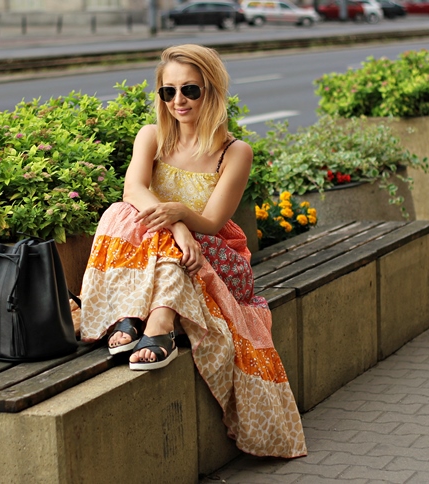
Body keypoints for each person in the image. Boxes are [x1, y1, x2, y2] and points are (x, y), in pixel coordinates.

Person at [79, 44, 307, 458]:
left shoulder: (234, 152)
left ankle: (153, 320)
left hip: (216, 255)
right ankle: (150, 321)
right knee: (120, 212)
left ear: (212, 91)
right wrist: (178, 227)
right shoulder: (151, 136)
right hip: (172, 244)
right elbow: (133, 190)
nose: (178, 101)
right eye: (168, 92)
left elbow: (215, 222)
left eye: (190, 90)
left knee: (155, 230)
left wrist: (183, 217)